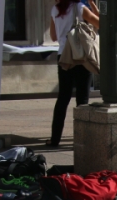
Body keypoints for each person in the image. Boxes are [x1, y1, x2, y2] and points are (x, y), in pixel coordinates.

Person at [47, 0, 99, 147]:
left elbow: (53, 36)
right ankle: (82, 139)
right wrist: (93, 4)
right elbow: (100, 23)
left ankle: (55, 138)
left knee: (63, 97)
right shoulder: (80, 8)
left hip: (63, 56)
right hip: (80, 56)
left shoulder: (55, 10)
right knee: (82, 99)